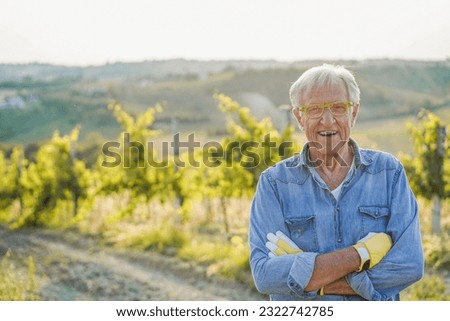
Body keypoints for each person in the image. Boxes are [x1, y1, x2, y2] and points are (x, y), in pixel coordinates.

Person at [248, 64, 424, 301]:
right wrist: (359, 254)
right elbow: (265, 275)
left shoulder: (388, 172)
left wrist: (311, 278)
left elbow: (408, 266)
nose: (328, 120)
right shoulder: (274, 183)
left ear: (354, 112)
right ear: (299, 117)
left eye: (339, 107)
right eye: (314, 109)